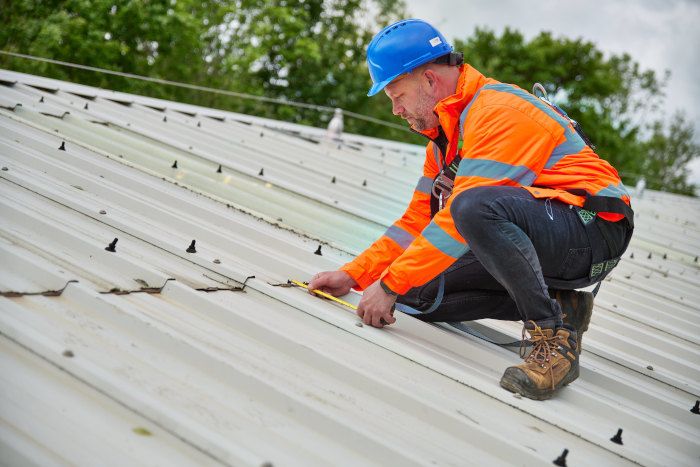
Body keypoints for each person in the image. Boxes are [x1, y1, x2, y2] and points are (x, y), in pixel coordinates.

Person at [308, 19, 633, 400]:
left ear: (429, 81)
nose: (395, 109)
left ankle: (552, 342)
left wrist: (390, 283)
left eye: (397, 95)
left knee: (470, 208)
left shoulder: (499, 110)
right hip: (539, 228)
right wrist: (356, 275)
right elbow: (415, 223)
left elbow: (466, 215)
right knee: (417, 291)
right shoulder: (444, 144)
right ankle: (563, 305)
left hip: (592, 228)